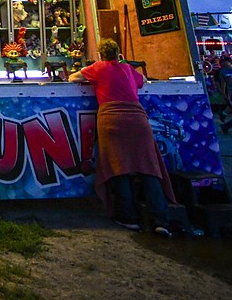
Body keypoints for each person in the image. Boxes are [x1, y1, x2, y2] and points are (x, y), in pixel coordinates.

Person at [70, 38, 176, 236]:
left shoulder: (98, 67)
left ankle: (128, 218)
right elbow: (142, 81)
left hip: (112, 121)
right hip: (138, 120)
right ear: (118, 53)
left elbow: (72, 78)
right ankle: (160, 220)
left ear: (101, 54)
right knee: (148, 169)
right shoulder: (128, 69)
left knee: (119, 168)